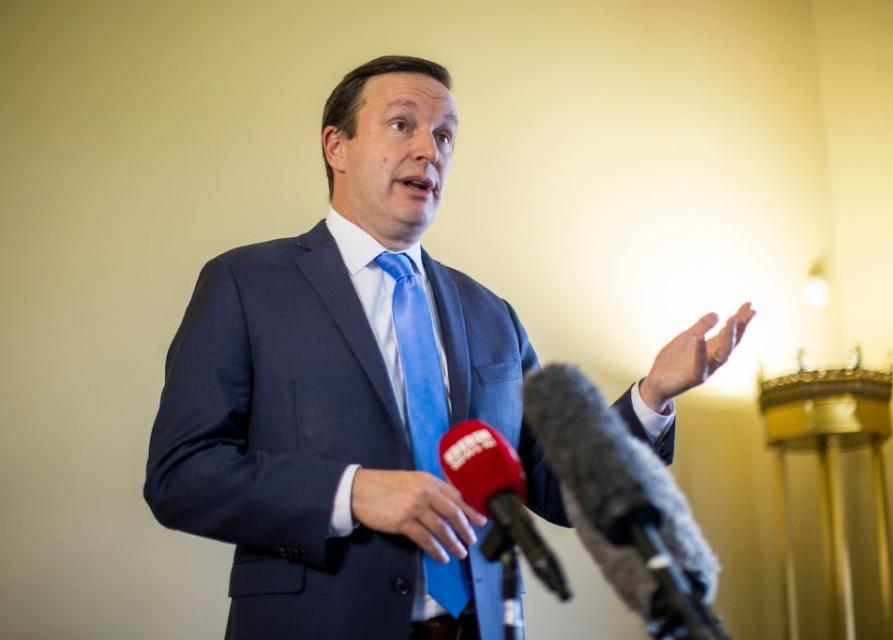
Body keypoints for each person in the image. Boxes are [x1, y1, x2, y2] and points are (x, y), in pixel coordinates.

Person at [144, 55, 755, 640]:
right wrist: (353, 491)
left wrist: (652, 396)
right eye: (402, 124)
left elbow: (556, 487)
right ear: (337, 146)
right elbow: (181, 474)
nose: (426, 150)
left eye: (444, 136)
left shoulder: (492, 315)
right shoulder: (246, 284)